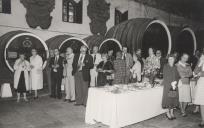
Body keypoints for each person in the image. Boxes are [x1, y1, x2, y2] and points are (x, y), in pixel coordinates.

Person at [162, 55, 180, 120]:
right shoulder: (165, 66)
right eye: (169, 59)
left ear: (174, 60)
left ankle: (172, 113)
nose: (170, 60)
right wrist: (171, 83)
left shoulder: (175, 67)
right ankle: (167, 113)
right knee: (168, 100)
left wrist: (176, 82)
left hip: (174, 85)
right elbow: (165, 76)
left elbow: (177, 76)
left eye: (172, 59)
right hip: (168, 85)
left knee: (173, 99)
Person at [193, 53, 204, 127]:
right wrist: (200, 62)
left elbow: (201, 73)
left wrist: (202, 73)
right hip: (201, 82)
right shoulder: (201, 60)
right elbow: (195, 72)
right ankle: (203, 120)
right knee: (201, 102)